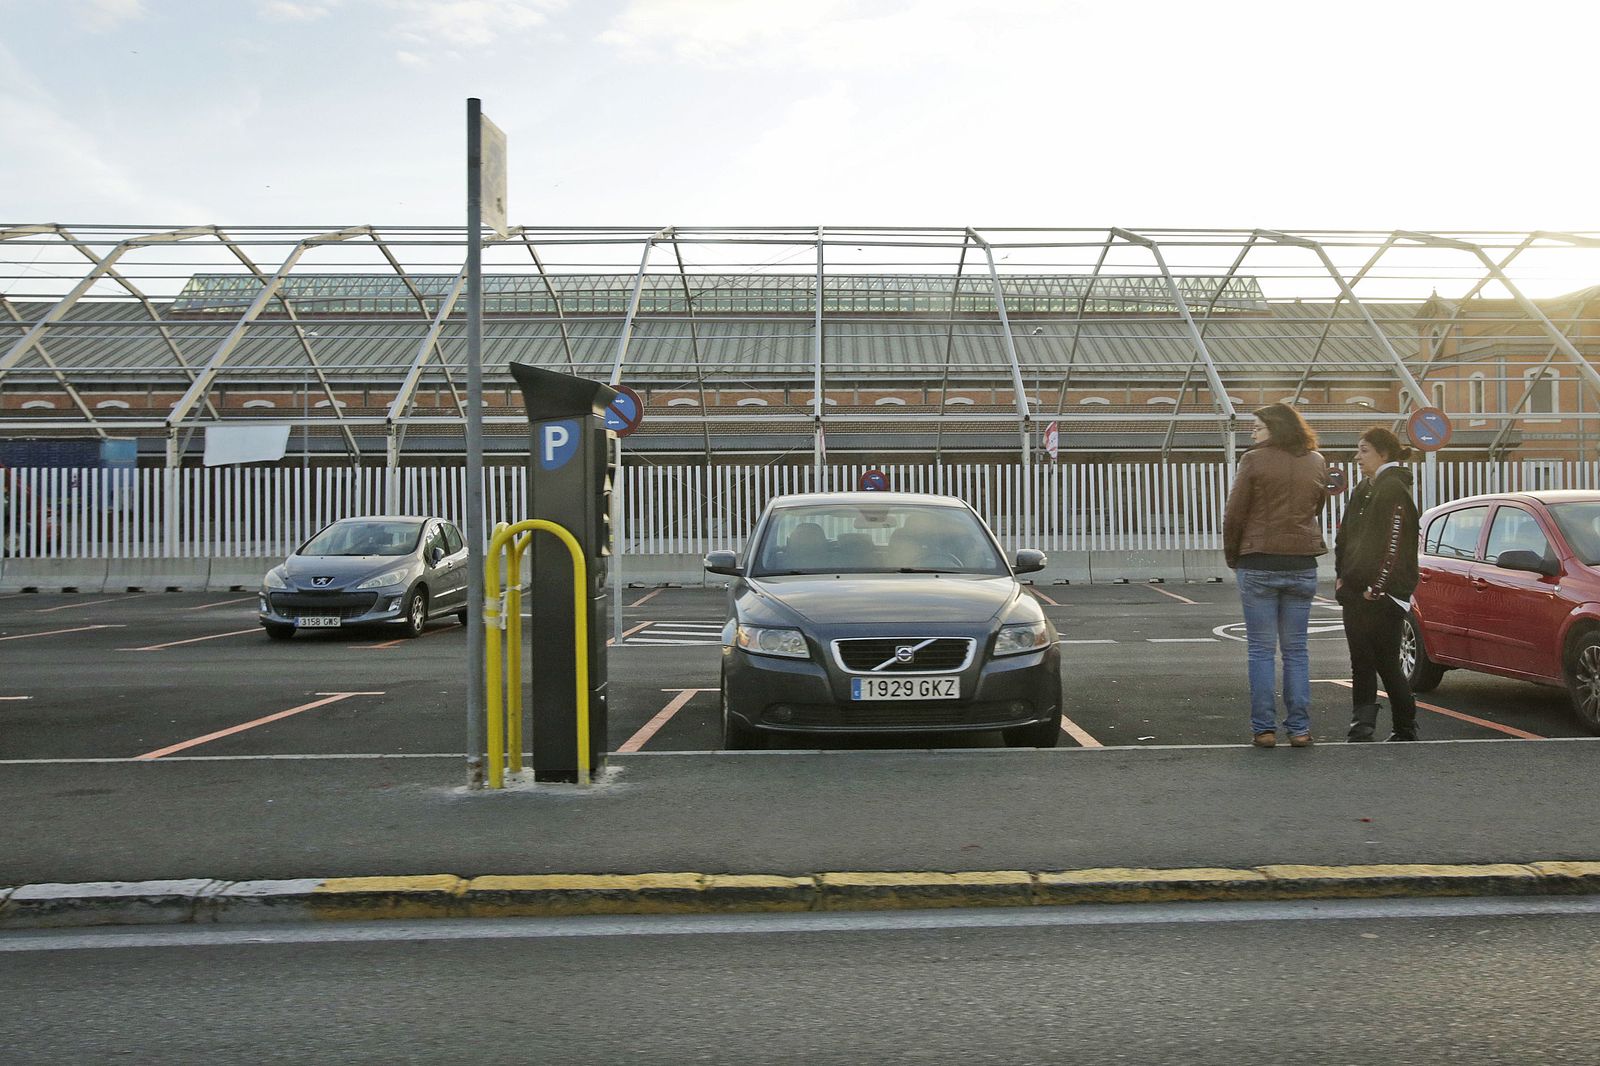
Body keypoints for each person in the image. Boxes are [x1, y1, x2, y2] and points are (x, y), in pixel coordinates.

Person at [1223, 403, 1329, 748]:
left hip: (1259, 564)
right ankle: (1299, 730)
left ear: (1274, 428)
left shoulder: (1253, 461)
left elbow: (1234, 515)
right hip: (1301, 565)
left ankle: (1264, 729)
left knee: (1261, 651)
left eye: (1256, 428)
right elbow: (1317, 506)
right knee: (1297, 651)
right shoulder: (1316, 461)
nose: (1252, 434)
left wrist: (1233, 557)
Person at [1336, 426, 1421, 742]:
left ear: (1383, 453)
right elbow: (1346, 535)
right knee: (1361, 661)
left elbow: (1395, 543)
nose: (1357, 457)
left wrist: (1380, 587)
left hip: (1382, 595)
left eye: (1364, 450)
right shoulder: (1365, 488)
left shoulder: (1393, 490)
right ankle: (1363, 726)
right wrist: (1342, 576)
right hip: (1356, 590)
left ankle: (1405, 727)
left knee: (1385, 661)